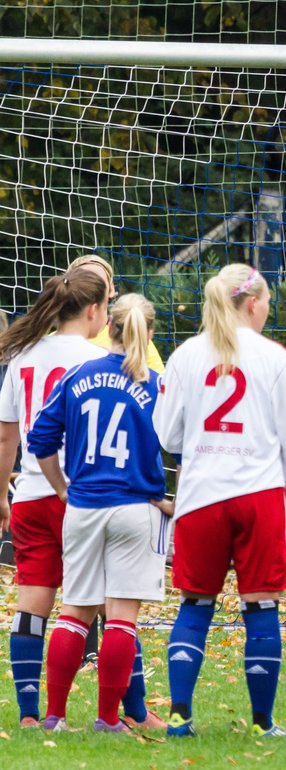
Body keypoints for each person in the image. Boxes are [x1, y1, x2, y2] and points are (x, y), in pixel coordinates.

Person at [153, 263, 286, 738]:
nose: (269, 309)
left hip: (201, 496)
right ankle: (263, 724)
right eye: (267, 302)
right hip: (258, 496)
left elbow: (166, 432)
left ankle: (180, 717)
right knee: (261, 607)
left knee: (195, 603)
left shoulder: (185, 355)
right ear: (253, 303)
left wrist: (200, 444)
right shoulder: (276, 358)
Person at [27, 295, 171, 732]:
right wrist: (174, 499)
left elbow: (40, 441)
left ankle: (54, 716)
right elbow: (182, 446)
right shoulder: (156, 384)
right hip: (136, 508)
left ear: (109, 325)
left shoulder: (77, 375)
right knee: (122, 616)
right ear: (147, 335)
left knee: (74, 612)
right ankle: (109, 719)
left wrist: (61, 488)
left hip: (84, 507)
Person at [0, 267, 110, 728]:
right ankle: (129, 712)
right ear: (93, 309)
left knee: (31, 604)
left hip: (29, 494)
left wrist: (0, 495)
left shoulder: (23, 356)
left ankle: (28, 715)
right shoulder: (96, 360)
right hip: (81, 494)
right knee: (109, 604)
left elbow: (6, 436)